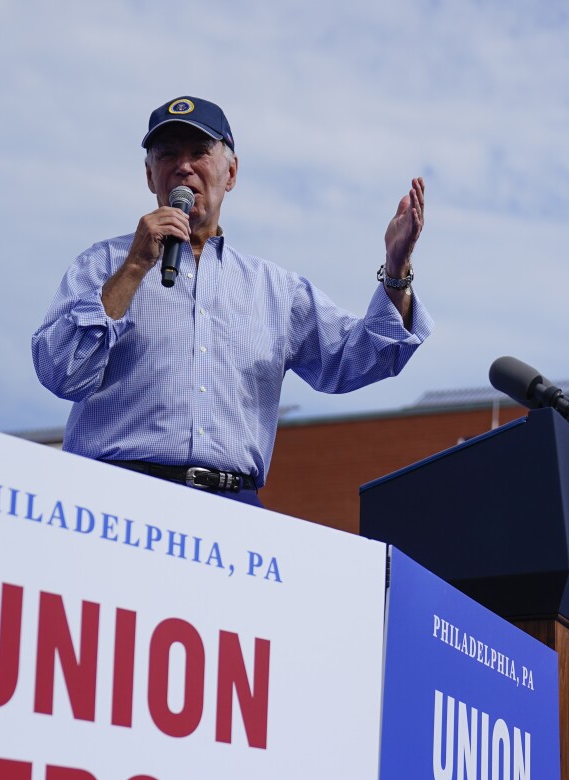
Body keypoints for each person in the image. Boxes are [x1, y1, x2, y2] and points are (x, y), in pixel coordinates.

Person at [33, 96, 431, 505]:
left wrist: (396, 269)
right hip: (118, 498)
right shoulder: (103, 264)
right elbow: (60, 372)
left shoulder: (276, 289)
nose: (183, 166)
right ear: (150, 176)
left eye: (200, 152)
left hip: (233, 510)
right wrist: (134, 268)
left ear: (232, 173)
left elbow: (368, 356)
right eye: (167, 154)